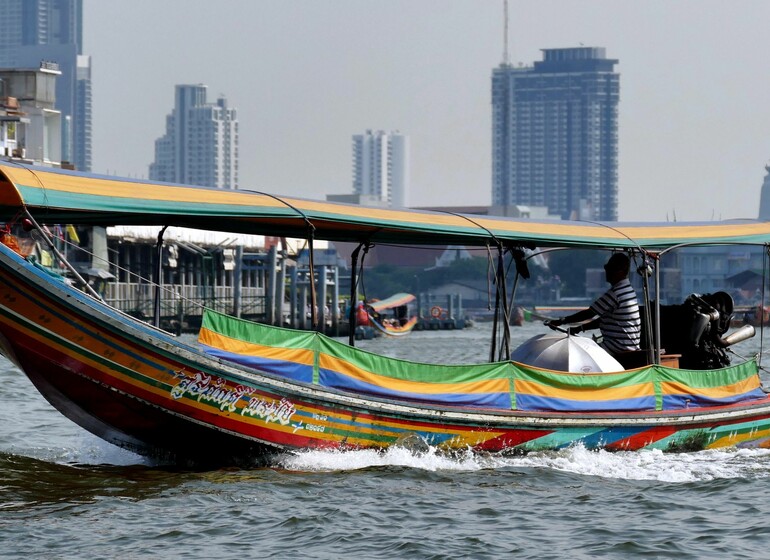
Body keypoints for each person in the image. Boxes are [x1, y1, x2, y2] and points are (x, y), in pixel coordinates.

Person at [548, 253, 641, 357]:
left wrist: (562, 321)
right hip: (628, 345)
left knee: (578, 352)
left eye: (610, 269)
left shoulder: (615, 293)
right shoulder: (628, 290)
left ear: (620, 272)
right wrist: (580, 328)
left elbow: (589, 313)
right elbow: (604, 319)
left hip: (617, 347)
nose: (606, 272)